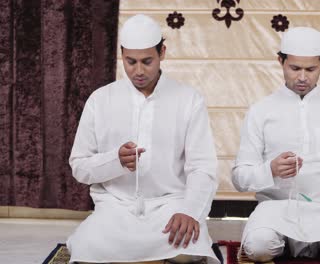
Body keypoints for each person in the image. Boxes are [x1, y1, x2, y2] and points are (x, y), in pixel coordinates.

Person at [67, 14, 219, 264]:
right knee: (87, 249)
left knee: (188, 252)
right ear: (122, 55)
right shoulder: (100, 99)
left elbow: (202, 167)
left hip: (170, 205)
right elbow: (80, 168)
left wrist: (189, 211)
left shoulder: (189, 99)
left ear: (162, 53)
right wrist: (115, 160)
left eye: (147, 61)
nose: (138, 71)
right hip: (116, 207)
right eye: (130, 61)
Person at [232, 27, 320, 264]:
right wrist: (270, 170)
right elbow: (240, 177)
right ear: (281, 61)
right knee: (259, 248)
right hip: (277, 210)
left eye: (311, 69)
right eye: (295, 68)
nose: (302, 77)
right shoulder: (261, 111)